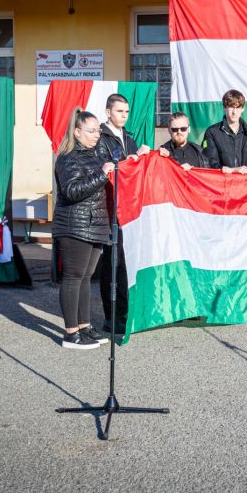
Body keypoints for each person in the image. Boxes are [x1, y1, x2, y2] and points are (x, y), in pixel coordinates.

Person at [52, 108, 113, 349]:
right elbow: (72, 191)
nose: (97, 134)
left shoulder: (95, 153)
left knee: (86, 278)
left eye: (98, 130)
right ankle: (70, 333)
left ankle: (84, 326)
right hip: (74, 225)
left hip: (95, 224)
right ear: (77, 132)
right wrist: (102, 174)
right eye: (91, 131)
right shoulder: (69, 158)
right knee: (73, 277)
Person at [96, 94, 150, 335]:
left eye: (126, 112)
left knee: (126, 265)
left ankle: (125, 312)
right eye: (119, 112)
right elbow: (109, 169)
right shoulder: (100, 138)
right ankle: (111, 316)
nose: (124, 116)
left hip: (128, 209)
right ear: (108, 113)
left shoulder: (127, 137)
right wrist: (135, 157)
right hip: (109, 209)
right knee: (112, 265)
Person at [202, 89, 247, 173]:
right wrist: (233, 170)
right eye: (230, 107)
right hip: (221, 184)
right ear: (224, 107)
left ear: (243, 109)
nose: (234, 112)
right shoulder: (212, 132)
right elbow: (208, 163)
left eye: (238, 107)